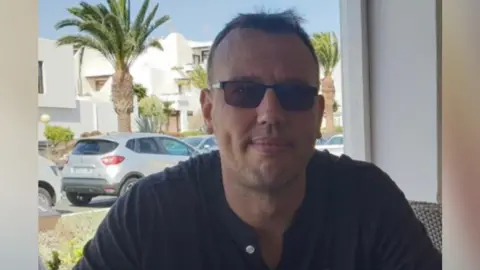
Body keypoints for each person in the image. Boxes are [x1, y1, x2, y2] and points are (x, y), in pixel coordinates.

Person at [74, 9, 441, 270]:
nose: (270, 112)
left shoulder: (368, 201)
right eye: (243, 90)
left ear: (317, 115)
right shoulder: (147, 216)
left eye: (293, 94)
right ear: (208, 111)